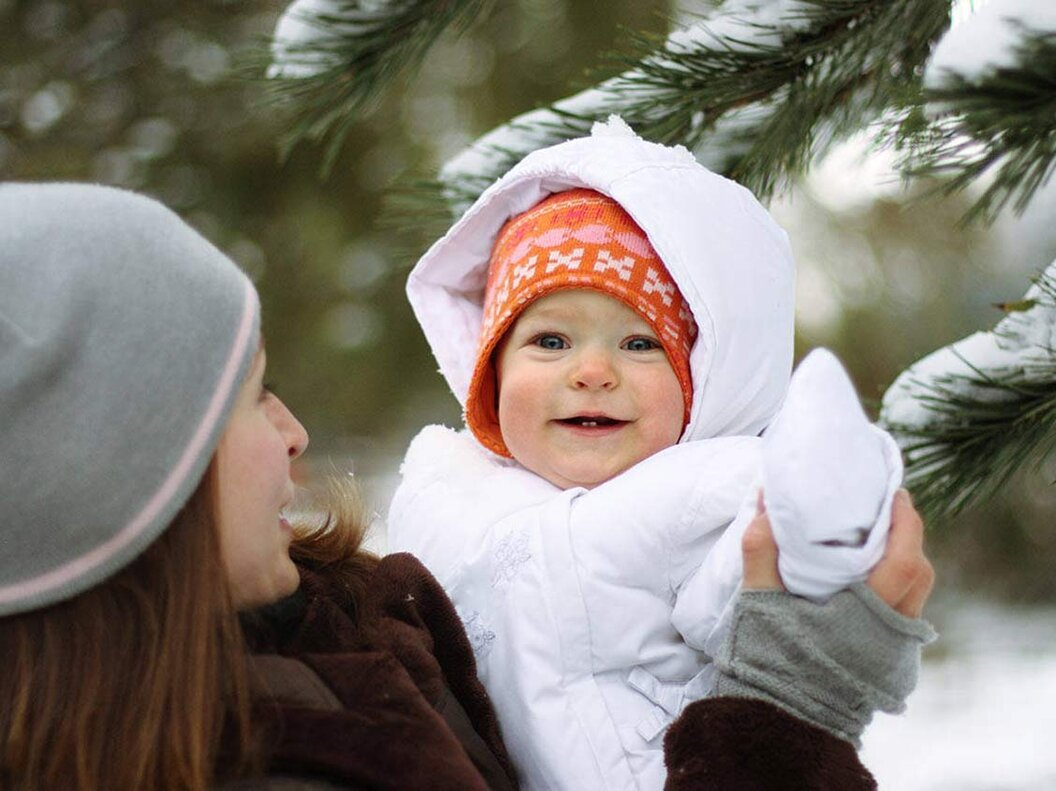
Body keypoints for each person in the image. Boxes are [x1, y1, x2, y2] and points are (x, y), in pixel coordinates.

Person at [0, 181, 932, 791]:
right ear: (123, 486)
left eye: (638, 342)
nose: (295, 434)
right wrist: (791, 706)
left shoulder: (338, 619)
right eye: (251, 400)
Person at [387, 118, 935, 790]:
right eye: (550, 341)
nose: (591, 371)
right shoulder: (444, 484)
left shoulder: (694, 489)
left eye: (640, 344)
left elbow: (768, 571)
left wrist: (829, 511)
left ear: (696, 381)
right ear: (489, 372)